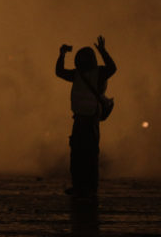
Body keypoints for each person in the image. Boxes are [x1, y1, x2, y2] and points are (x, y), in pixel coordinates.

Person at [55, 35, 117, 199]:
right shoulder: (81, 74)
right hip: (81, 118)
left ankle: (90, 188)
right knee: (77, 155)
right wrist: (61, 54)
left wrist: (104, 51)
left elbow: (112, 68)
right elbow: (59, 72)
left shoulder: (98, 73)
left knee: (88, 155)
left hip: (90, 119)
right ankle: (80, 186)